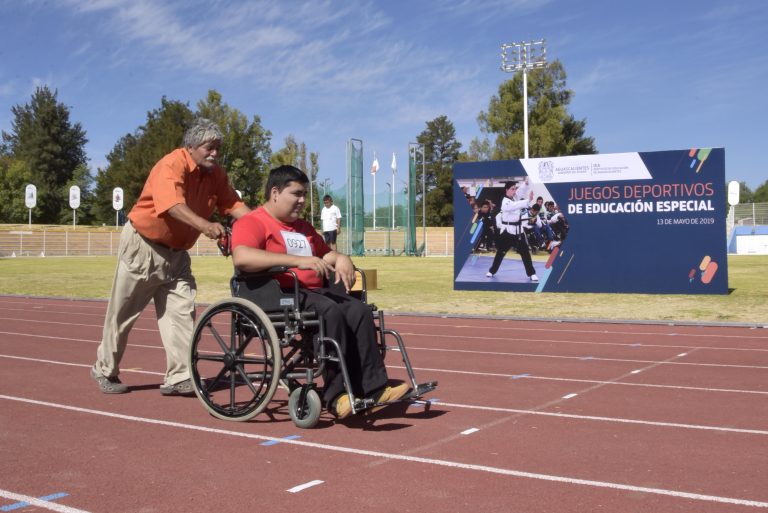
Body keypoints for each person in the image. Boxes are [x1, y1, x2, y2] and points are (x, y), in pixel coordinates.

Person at [230, 165, 409, 419]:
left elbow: (325, 253)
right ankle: (336, 396)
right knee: (329, 312)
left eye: (304, 194)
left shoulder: (302, 227)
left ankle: (373, 388)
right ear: (275, 192)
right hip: (277, 295)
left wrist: (342, 257)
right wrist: (297, 261)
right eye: (297, 194)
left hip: (312, 293)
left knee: (358, 310)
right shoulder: (252, 222)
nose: (303, 201)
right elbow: (242, 257)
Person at [91, 118, 251, 395]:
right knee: (123, 314)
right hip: (143, 246)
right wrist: (206, 226)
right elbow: (172, 205)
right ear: (191, 146)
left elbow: (234, 205)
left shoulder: (217, 175)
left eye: (218, 148)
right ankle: (105, 369)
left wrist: (262, 227)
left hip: (178, 255)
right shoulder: (171, 164)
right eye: (209, 147)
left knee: (182, 313)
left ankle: (180, 376)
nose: (215, 153)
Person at [486, 180, 538, 282]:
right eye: (512, 189)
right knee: (501, 252)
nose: (514, 191)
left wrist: (526, 183)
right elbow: (515, 205)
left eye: (515, 188)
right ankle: (492, 271)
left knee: (525, 253)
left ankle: (532, 274)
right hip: (507, 231)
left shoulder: (514, 197)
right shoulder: (505, 202)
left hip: (518, 231)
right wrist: (528, 201)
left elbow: (520, 191)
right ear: (507, 190)